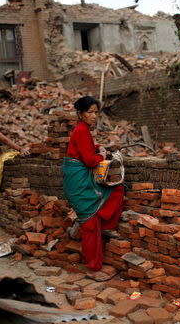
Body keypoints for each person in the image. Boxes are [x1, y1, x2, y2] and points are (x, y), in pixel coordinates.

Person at [63, 96, 125, 271]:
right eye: (90, 112)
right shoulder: (81, 130)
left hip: (77, 180)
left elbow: (85, 146)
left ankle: (94, 260)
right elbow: (90, 161)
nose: (94, 116)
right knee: (91, 221)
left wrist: (97, 147)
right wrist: (101, 156)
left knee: (91, 221)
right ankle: (93, 262)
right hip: (79, 182)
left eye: (96, 112)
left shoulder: (81, 129)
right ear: (81, 114)